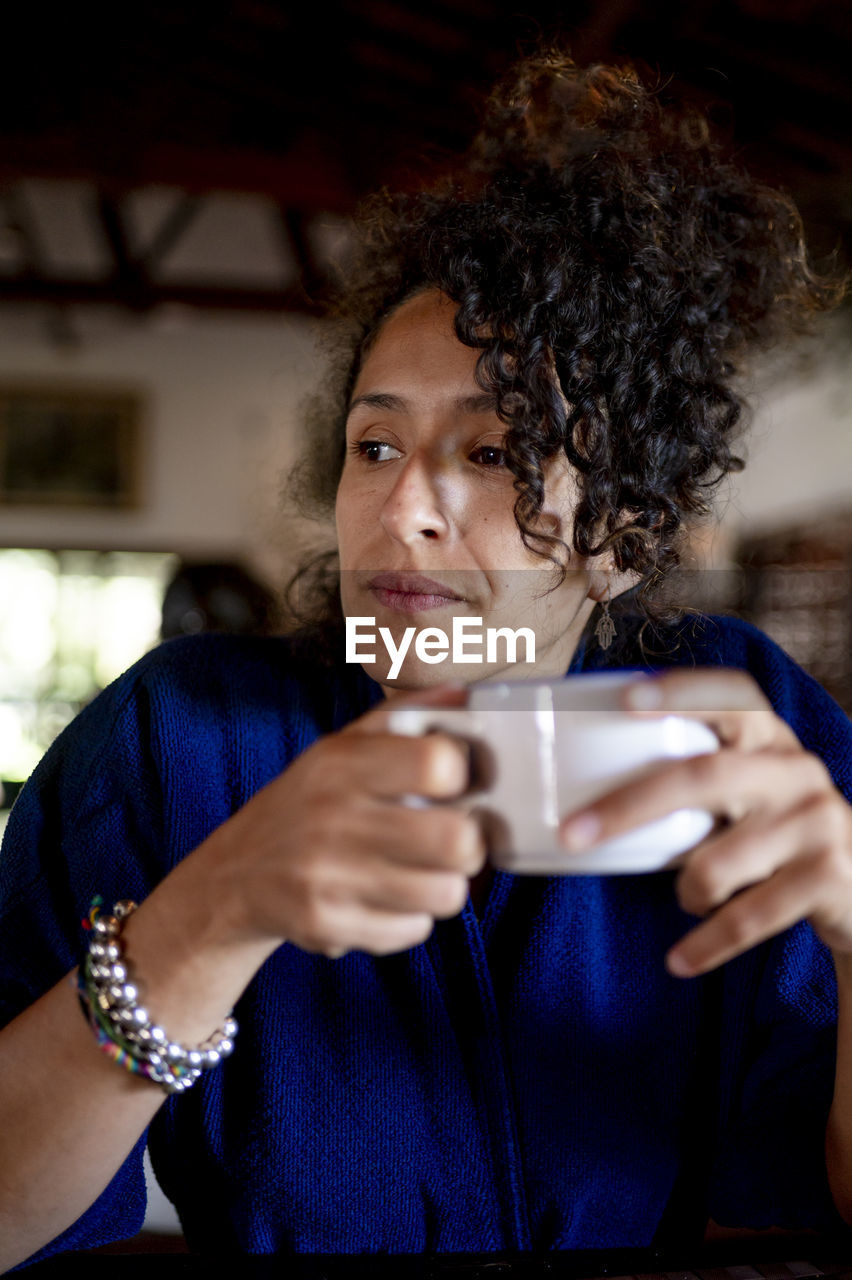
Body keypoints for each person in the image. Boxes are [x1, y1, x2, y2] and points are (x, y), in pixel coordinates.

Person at [1, 49, 851, 1270]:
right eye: (377, 445)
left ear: (626, 536)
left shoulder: (740, 721)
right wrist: (210, 915)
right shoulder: (175, 734)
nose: (403, 511)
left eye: (499, 452)